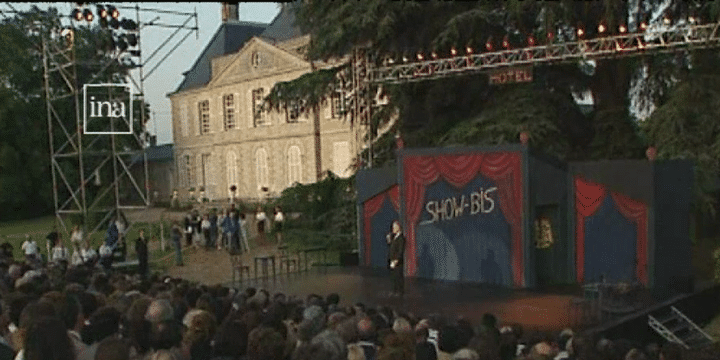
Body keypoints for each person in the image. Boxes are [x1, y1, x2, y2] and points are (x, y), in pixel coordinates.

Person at [387, 220, 405, 297]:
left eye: (394, 227)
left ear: (398, 228)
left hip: (397, 261)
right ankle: (394, 290)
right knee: (393, 277)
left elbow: (400, 251)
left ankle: (400, 291)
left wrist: (396, 260)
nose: (393, 229)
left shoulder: (401, 238)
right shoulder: (394, 237)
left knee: (398, 276)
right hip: (392, 260)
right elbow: (392, 248)